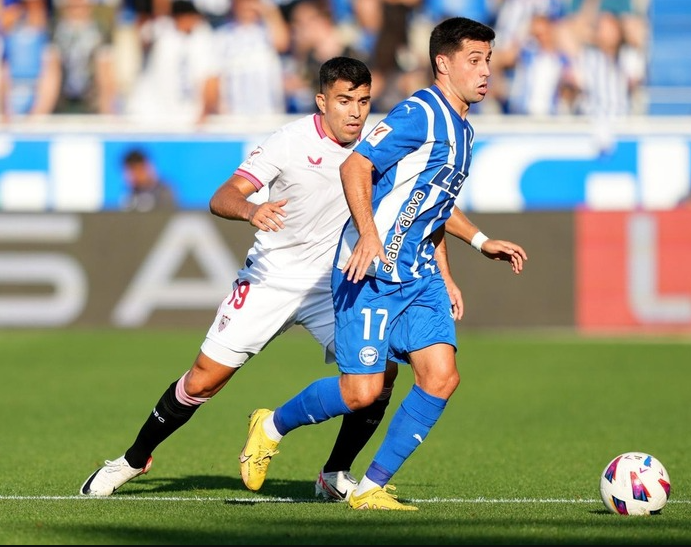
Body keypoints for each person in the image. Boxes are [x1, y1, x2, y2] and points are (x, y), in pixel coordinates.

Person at [80, 55, 511, 501]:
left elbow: (426, 205)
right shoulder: (289, 142)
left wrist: (470, 248)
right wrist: (252, 209)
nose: (355, 112)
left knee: (378, 378)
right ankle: (132, 459)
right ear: (322, 101)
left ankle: (335, 473)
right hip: (273, 278)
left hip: (336, 281)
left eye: (363, 101)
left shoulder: (379, 145)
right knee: (204, 379)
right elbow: (223, 195)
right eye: (344, 101)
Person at [239, 17, 528, 511]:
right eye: (474, 61)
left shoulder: (463, 128)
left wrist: (477, 245)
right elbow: (356, 164)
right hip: (369, 272)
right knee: (361, 393)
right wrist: (370, 237)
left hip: (418, 274)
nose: (486, 71)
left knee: (442, 377)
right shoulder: (421, 112)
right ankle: (271, 425)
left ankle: (370, 487)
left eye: (488, 60)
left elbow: (430, 204)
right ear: (443, 63)